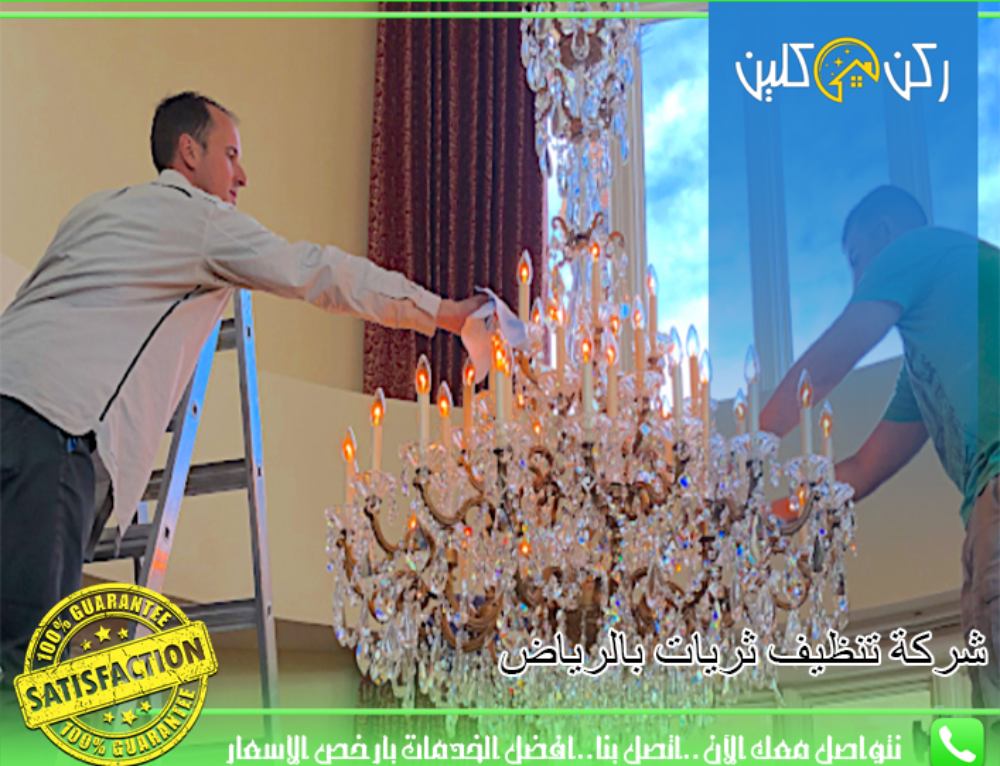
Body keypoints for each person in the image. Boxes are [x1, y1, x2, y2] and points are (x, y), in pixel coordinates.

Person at [0, 92, 487, 688]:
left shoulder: (92, 211)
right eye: (230, 155)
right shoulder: (202, 222)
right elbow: (319, 272)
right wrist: (445, 313)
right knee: (28, 672)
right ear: (189, 152)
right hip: (55, 437)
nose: (242, 175)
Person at [760, 185, 1000, 751]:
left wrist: (744, 449)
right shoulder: (924, 367)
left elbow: (826, 365)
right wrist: (757, 515)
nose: (856, 279)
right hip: (983, 513)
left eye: (855, 259)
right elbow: (862, 468)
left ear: (886, 236)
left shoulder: (917, 248)